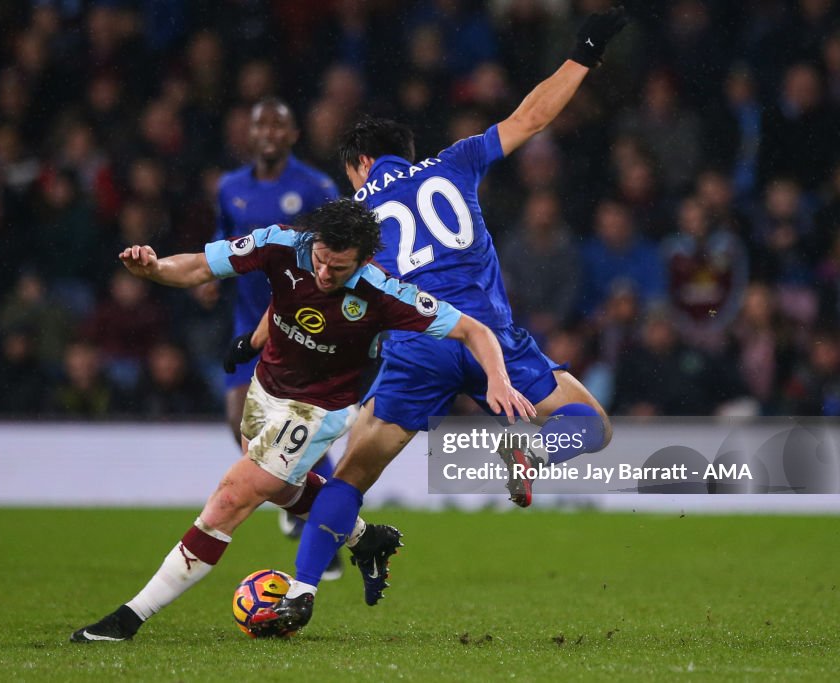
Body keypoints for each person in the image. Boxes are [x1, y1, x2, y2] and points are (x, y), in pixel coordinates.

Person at [251, 5, 628, 637]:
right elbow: (532, 115)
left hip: (419, 342)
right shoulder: (456, 162)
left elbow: (300, 281)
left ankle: (300, 590)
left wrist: (258, 340)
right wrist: (587, 46)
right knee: (589, 424)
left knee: (351, 476)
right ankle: (529, 448)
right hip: (491, 344)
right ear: (406, 156)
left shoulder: (349, 213)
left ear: (358, 165)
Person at [70, 199, 530, 642]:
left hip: (319, 409)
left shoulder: (384, 292)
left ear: (365, 260)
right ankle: (364, 538)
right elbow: (200, 266)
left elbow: (474, 329)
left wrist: (499, 380)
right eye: (321, 260)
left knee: (232, 498)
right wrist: (154, 269)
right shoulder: (281, 243)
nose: (325, 273)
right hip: (267, 388)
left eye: (340, 268)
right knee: (278, 485)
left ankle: (129, 618)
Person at [209, 97, 342, 558]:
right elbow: (223, 241)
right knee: (237, 418)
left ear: (292, 136)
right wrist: (210, 279)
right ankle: (296, 494)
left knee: (305, 420)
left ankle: (319, 510)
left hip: (302, 322)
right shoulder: (229, 187)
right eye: (259, 125)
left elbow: (340, 246)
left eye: (277, 126)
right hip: (250, 318)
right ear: (249, 134)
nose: (268, 133)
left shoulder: (315, 186)